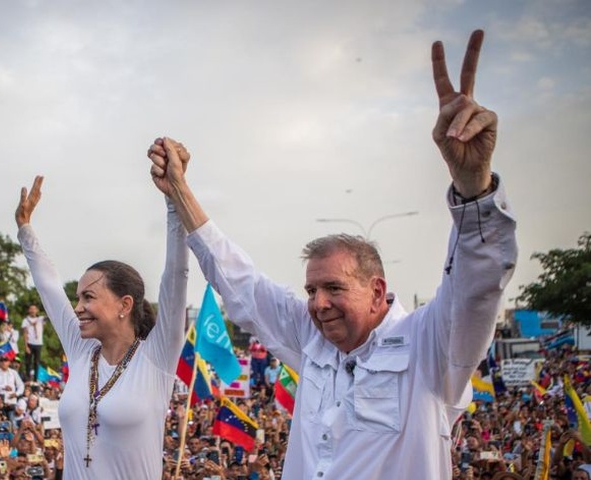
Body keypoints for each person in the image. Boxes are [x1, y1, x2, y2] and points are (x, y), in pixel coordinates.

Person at [146, 29, 518, 479]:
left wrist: (473, 187)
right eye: (311, 289)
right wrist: (180, 193)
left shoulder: (430, 346)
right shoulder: (310, 338)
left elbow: (476, 289)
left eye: (334, 288)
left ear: (378, 290)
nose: (318, 303)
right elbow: (239, 282)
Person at [14, 173, 188, 479]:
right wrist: (25, 229)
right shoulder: (82, 350)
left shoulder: (156, 357)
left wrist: (174, 199)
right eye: (78, 298)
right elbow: (50, 287)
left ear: (125, 305)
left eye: (88, 297)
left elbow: (176, 275)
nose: (77, 308)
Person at [21, 305, 45, 381]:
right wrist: (26, 346)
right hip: (30, 343)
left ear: (37, 310)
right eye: (31, 309)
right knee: (28, 362)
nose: (33, 310)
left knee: (37, 362)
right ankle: (28, 378)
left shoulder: (40, 319)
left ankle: (35, 379)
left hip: (38, 343)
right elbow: (24, 333)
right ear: (29, 310)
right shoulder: (26, 320)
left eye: (34, 309)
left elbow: (49, 317)